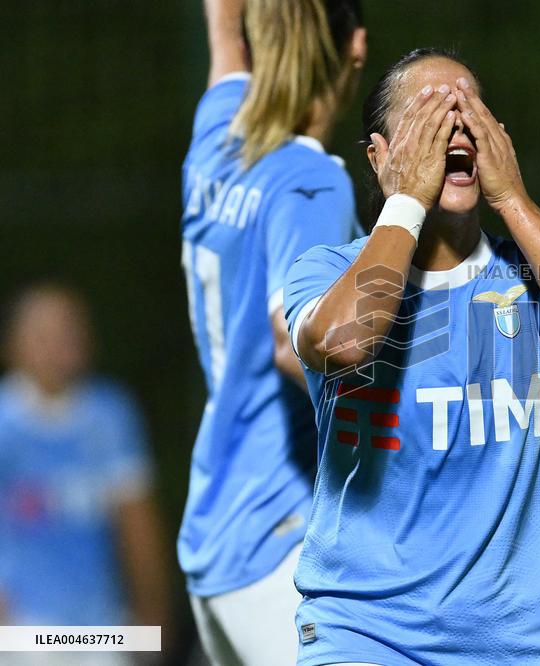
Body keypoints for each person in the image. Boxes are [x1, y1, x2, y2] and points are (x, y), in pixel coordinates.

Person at [284, 48, 540, 665]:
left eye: (469, 114)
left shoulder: (532, 273)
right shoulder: (327, 273)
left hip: (522, 645)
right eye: (429, 117)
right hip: (367, 634)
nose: (454, 132)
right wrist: (407, 202)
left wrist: (514, 200)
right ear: (379, 156)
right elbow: (345, 341)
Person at [180, 0, 366, 663]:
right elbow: (294, 342)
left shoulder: (217, 136)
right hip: (281, 540)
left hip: (217, 529)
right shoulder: (311, 181)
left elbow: (223, 37)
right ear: (356, 46)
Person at [0, 285, 171, 665]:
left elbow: (136, 521)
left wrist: (153, 611)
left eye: (70, 330)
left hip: (100, 625)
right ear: (13, 345)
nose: (60, 345)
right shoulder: (5, 422)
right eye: (43, 335)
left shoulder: (109, 415)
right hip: (21, 627)